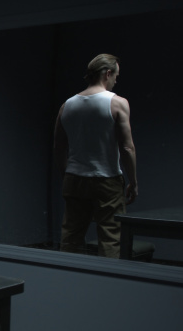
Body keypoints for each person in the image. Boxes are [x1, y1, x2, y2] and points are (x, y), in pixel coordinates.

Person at [53, 53, 138, 258]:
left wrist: (66, 175)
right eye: (116, 75)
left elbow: (59, 146)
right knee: (110, 237)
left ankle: (67, 275)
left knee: (71, 236)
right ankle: (108, 277)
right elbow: (127, 148)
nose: (116, 80)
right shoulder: (118, 103)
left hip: (74, 178)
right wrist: (133, 182)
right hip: (107, 180)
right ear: (108, 73)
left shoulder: (66, 105)